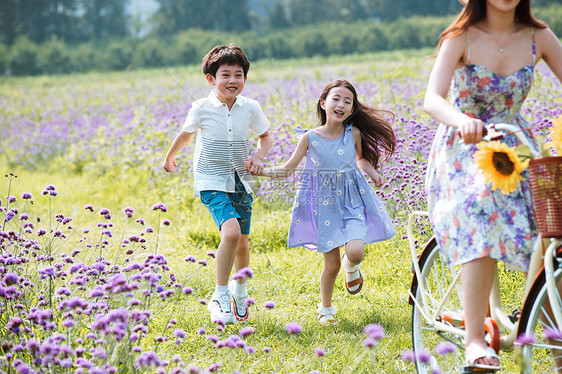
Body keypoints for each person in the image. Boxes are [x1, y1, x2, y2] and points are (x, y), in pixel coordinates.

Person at [423, 0, 562, 370]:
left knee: (554, 221)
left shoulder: (539, 37)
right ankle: (474, 340)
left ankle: (550, 329)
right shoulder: (460, 37)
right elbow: (432, 98)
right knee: (481, 205)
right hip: (465, 145)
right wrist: (462, 121)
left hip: (515, 140)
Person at [252, 79, 397, 325]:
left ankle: (352, 267)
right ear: (323, 103)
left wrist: (372, 172)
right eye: (336, 99)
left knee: (356, 251)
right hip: (324, 204)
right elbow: (288, 170)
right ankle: (326, 308)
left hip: (352, 200)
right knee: (331, 265)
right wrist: (262, 170)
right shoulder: (309, 137)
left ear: (352, 110)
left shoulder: (354, 134)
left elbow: (360, 159)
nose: (341, 104)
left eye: (347, 101)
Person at [162, 43, 272, 324]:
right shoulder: (201, 108)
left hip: (240, 181)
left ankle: (239, 289)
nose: (233, 80)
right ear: (211, 79)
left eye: (238, 75)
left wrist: (259, 156)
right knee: (232, 233)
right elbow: (186, 135)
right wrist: (170, 157)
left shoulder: (251, 108)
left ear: (245, 79)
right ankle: (220, 294)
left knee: (243, 243)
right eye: (226, 74)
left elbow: (265, 136)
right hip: (211, 180)